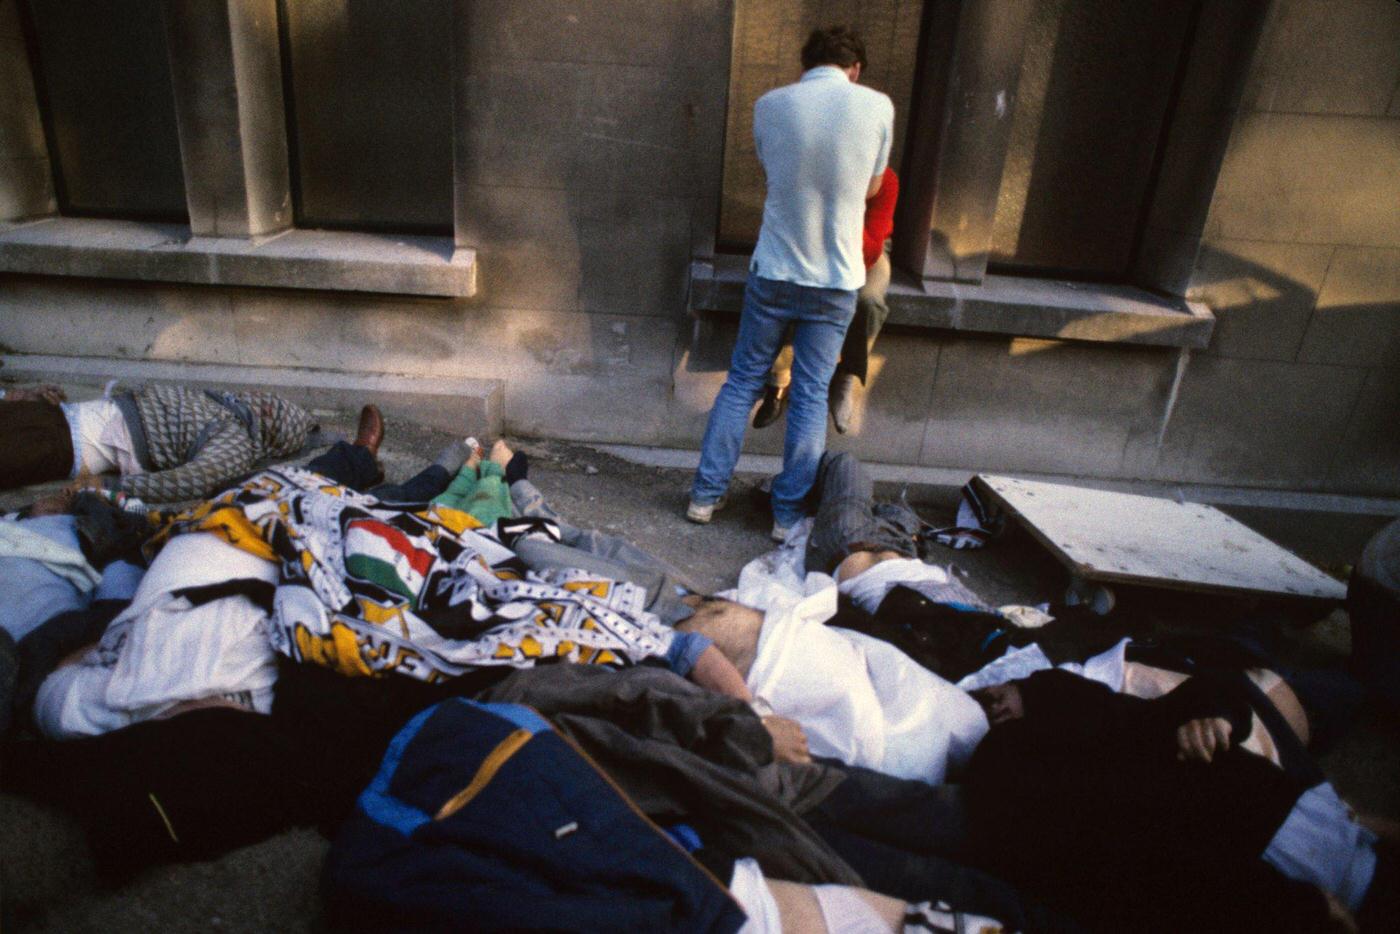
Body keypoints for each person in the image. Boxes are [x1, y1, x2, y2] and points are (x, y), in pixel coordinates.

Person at [688, 25, 894, 542]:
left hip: (775, 269)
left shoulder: (770, 104)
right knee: (809, 395)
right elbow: (873, 190)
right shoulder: (878, 107)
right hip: (835, 279)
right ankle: (785, 517)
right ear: (855, 69)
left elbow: (773, 170)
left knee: (742, 383)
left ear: (805, 65)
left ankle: (704, 498)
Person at [754, 166, 900, 434]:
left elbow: (870, 250)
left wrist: (848, 207)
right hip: (816, 248)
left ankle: (847, 375)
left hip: (867, 251)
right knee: (797, 287)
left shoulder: (886, 180)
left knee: (869, 300)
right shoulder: (820, 171)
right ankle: (778, 379)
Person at [0, 381, 314, 503]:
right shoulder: (216, 401)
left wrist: (107, 487)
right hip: (53, 416)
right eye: (274, 402)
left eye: (275, 415)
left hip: (60, 443)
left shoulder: (236, 443)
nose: (267, 406)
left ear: (272, 435)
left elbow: (192, 481)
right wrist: (27, 398)